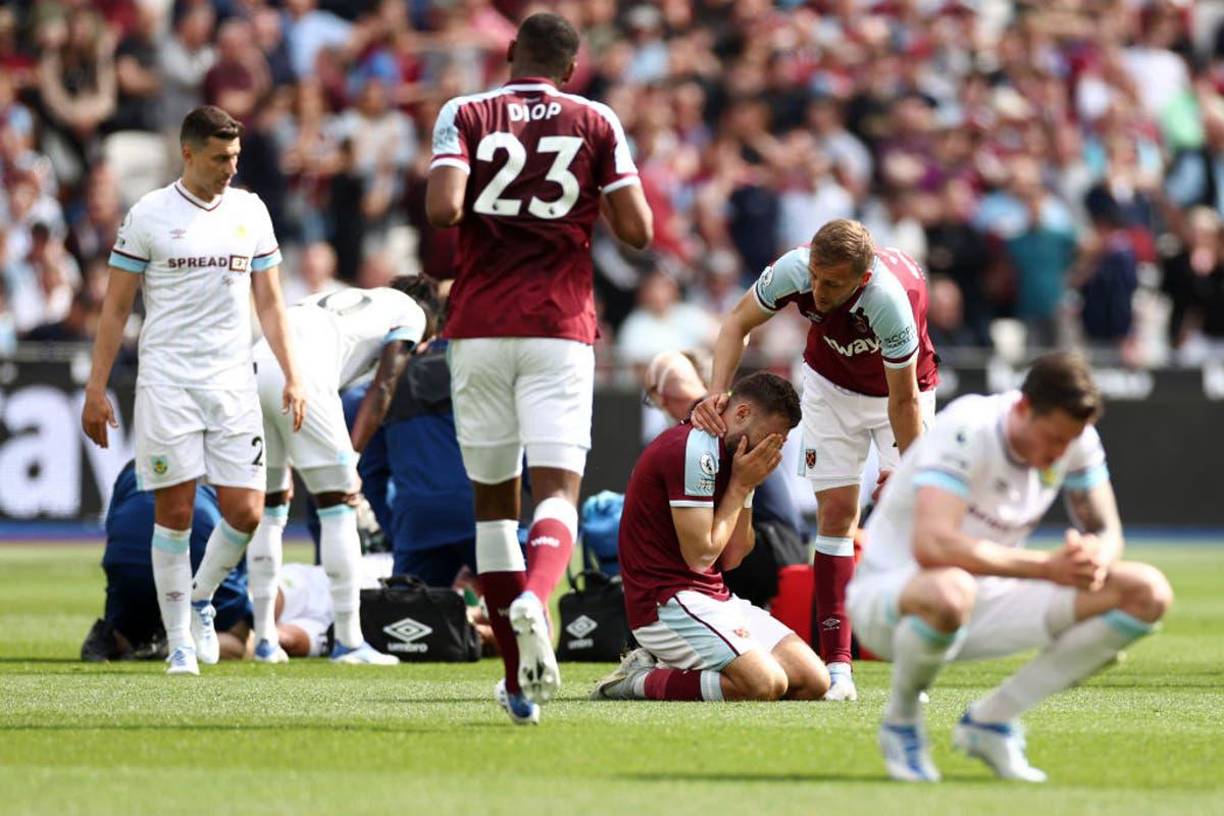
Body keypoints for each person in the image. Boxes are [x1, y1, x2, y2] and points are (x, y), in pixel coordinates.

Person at [425, 11, 653, 723]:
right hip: (559, 325)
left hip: (480, 325)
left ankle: (518, 683)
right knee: (558, 487)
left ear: (510, 55)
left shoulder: (466, 112)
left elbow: (442, 210)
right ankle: (536, 595)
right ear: (570, 67)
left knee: (495, 504)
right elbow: (640, 233)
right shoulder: (596, 120)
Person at [849, 353, 1172, 782]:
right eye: (1053, 438)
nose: (1059, 454)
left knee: (1147, 591)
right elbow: (934, 545)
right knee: (950, 590)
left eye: (1068, 442)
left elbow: (1107, 530)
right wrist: (1047, 568)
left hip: (990, 600)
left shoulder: (1076, 441)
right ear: (1022, 408)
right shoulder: (968, 428)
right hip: (891, 601)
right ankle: (901, 723)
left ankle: (991, 722)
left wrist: (1094, 558)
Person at [81, 105, 306, 677]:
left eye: (235, 156)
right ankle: (180, 641)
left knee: (247, 511)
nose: (231, 166)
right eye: (219, 157)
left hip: (233, 381)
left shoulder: (251, 211)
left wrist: (294, 373)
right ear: (188, 153)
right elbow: (116, 307)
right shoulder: (150, 214)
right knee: (175, 512)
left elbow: (271, 302)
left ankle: (202, 598)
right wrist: (96, 387)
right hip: (168, 382)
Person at [693, 218, 939, 701]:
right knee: (836, 516)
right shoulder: (795, 269)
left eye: (833, 283)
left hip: (905, 392)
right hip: (830, 385)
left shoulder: (890, 301)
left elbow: (903, 402)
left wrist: (912, 473)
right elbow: (737, 322)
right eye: (816, 277)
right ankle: (839, 670)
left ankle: (912, 667)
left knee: (914, 520)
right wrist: (717, 391)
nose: (819, 291)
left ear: (862, 279)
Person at [199, 278, 438, 665]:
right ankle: (348, 641)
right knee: (339, 505)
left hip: (255, 366)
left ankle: (264, 641)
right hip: (301, 372)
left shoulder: (348, 300)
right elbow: (384, 387)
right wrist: (353, 459)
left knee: (272, 508)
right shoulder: (410, 312)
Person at [592, 372, 829, 703]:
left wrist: (746, 490)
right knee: (764, 684)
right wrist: (741, 487)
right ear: (742, 414)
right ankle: (637, 680)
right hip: (664, 603)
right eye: (768, 437)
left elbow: (732, 557)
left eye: (779, 443)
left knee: (815, 681)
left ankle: (684, 666)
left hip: (714, 597)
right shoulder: (695, 449)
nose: (768, 449)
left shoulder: (736, 453)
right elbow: (700, 556)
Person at [81, 460, 252, 663]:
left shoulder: (134, 465)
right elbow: (237, 545)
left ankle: (118, 637)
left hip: (130, 563)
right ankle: (168, 644)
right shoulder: (228, 463)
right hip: (200, 548)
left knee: (130, 616)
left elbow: (114, 533)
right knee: (239, 639)